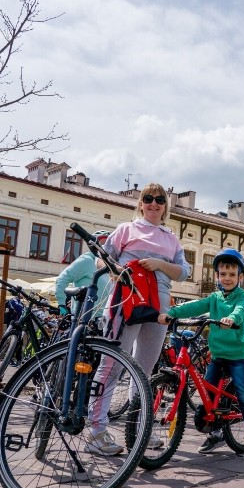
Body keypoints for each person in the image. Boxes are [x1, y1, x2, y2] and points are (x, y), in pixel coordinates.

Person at [84, 184, 192, 457]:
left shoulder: (171, 238)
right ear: (141, 203)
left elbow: (184, 272)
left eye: (159, 199)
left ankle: (138, 428)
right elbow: (100, 258)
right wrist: (116, 270)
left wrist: (159, 265)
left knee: (144, 370)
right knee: (112, 364)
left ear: (166, 206)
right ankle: (96, 430)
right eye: (148, 199)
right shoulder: (126, 230)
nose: (154, 204)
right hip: (126, 302)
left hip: (159, 308)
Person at [158, 248, 244, 461]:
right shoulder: (214, 298)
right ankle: (215, 433)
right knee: (207, 393)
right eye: (223, 274)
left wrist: (231, 319)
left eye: (232, 275)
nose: (227, 278)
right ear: (217, 276)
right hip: (218, 354)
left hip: (238, 355)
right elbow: (194, 306)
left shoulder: (242, 297)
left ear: (240, 277)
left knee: (243, 393)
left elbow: (240, 311)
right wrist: (171, 313)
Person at [55, 230, 111, 319]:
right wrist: (61, 303)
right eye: (102, 244)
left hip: (101, 318)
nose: (105, 247)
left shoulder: (108, 266)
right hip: (83, 318)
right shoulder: (87, 260)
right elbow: (62, 279)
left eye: (109, 244)